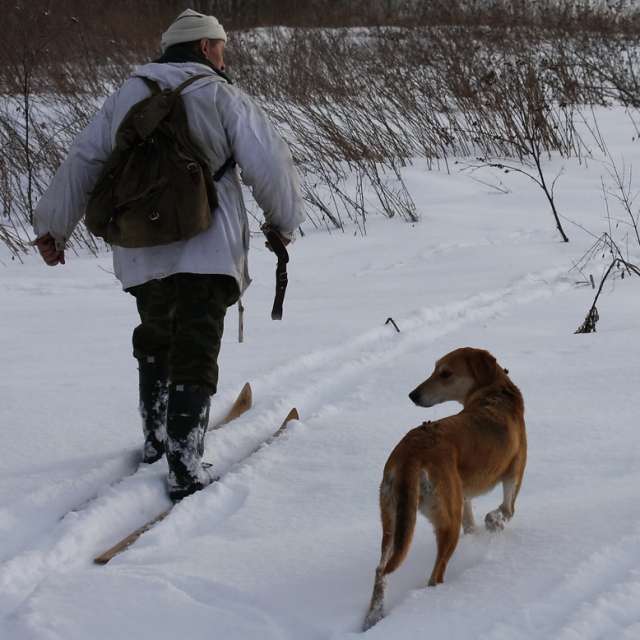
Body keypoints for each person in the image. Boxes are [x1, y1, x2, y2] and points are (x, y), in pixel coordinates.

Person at [32, 9, 305, 501]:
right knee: (196, 343)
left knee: (156, 335)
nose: (224, 54)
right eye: (220, 46)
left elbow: (84, 160)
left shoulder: (125, 95)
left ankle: (157, 440)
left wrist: (53, 227)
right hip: (208, 245)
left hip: (142, 248)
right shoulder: (221, 94)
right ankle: (184, 463)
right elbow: (270, 162)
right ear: (204, 48)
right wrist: (283, 223)